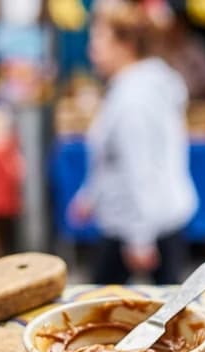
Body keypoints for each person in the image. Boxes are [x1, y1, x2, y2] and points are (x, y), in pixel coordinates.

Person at [72, 0, 197, 284]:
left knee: (106, 299)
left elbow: (140, 167)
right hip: (159, 213)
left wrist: (140, 237)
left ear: (125, 45)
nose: (92, 49)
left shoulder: (133, 99)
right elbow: (111, 158)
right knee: (168, 298)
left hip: (137, 221)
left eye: (99, 39)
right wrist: (90, 195)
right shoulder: (147, 83)